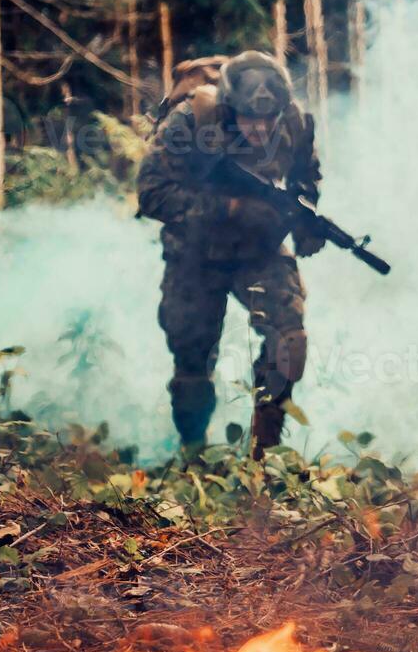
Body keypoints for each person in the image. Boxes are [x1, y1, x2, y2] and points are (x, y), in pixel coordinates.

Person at [136, 50, 324, 458]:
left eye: (268, 119)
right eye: (249, 118)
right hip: (194, 253)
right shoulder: (190, 122)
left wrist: (303, 217)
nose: (260, 128)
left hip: (258, 249)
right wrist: (230, 209)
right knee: (192, 359)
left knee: (289, 340)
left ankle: (265, 456)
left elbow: (306, 177)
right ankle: (193, 452)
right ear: (228, 107)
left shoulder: (293, 124)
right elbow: (151, 194)